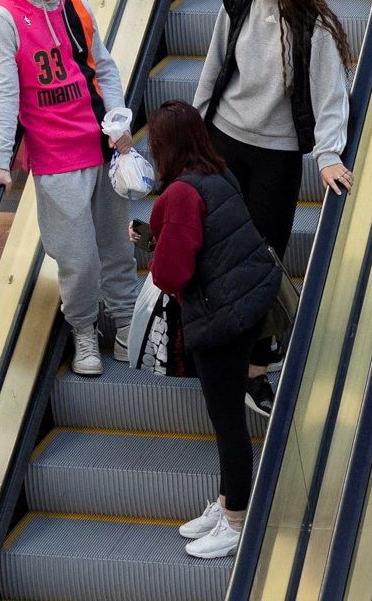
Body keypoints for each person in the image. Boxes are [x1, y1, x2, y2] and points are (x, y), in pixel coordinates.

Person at [0, 0, 139, 376]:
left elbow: (103, 69)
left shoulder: (77, 7)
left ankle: (127, 325)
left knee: (116, 249)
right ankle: (84, 331)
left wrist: (119, 120)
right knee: (78, 259)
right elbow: (3, 96)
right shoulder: (3, 22)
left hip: (101, 150)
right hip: (55, 160)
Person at [191, 0, 355, 336]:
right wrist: (197, 127)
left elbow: (330, 96)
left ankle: (257, 350)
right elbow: (213, 69)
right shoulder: (235, 5)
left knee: (265, 254)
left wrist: (328, 155)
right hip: (223, 139)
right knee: (217, 243)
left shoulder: (312, 26)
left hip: (276, 156)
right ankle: (219, 334)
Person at [141, 99, 286, 560]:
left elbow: (171, 274)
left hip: (221, 319)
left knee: (228, 425)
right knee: (227, 421)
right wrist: (151, 234)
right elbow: (208, 238)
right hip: (244, 306)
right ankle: (225, 503)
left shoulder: (180, 195)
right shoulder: (216, 173)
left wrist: (153, 247)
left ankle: (235, 521)